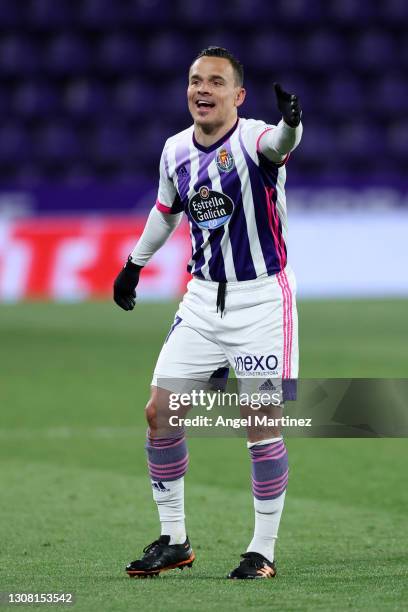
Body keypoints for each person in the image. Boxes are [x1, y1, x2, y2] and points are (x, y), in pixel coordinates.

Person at [113, 46, 302, 580]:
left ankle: (261, 550)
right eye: (196, 80)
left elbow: (281, 143)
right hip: (201, 301)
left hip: (262, 302)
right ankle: (174, 540)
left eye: (215, 82)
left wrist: (293, 122)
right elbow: (165, 210)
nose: (202, 89)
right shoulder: (174, 150)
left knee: (260, 423)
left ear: (237, 96)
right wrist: (134, 264)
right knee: (160, 413)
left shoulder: (255, 138)